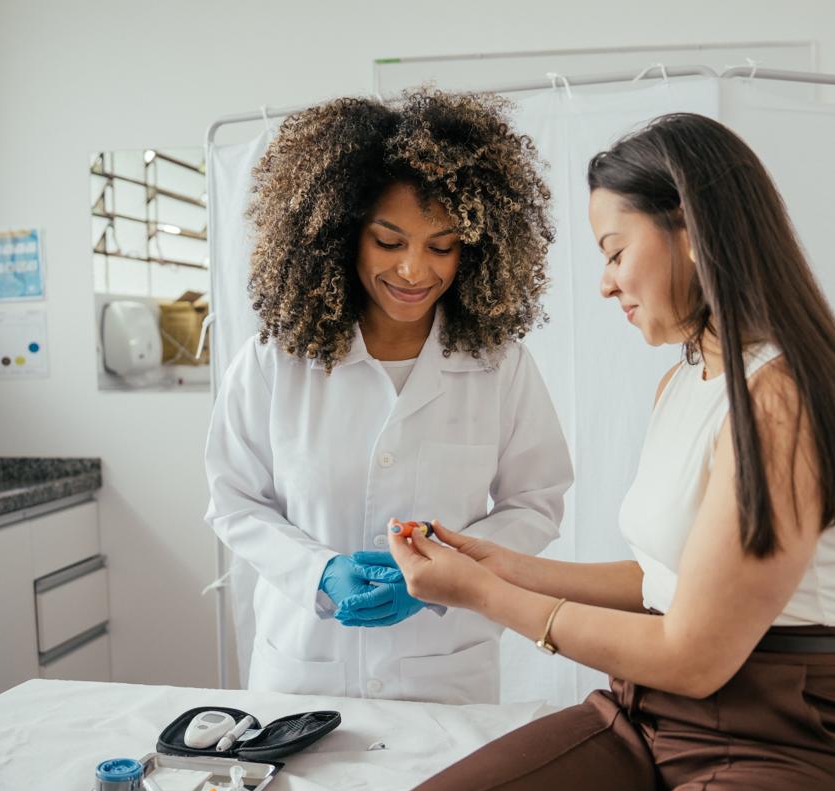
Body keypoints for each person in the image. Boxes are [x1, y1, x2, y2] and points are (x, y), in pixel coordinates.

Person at [345, 113, 835, 791]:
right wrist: (492, 560)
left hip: (795, 742)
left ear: (690, 229)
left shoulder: (780, 400)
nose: (607, 282)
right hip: (649, 716)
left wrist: (483, 594)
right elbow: (664, 581)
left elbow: (695, 654)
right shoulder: (684, 386)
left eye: (615, 252)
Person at [203, 89, 573, 704]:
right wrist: (318, 571)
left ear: (475, 249)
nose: (413, 271)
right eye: (390, 241)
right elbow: (234, 500)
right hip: (305, 669)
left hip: (445, 670)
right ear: (341, 235)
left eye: (442, 246)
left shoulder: (498, 365)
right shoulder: (277, 360)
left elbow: (536, 502)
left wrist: (450, 577)